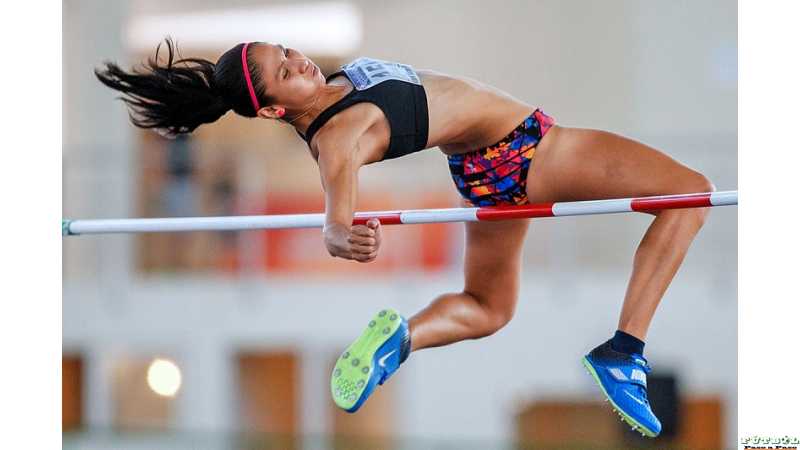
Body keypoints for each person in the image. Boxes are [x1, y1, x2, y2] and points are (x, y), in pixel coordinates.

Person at [96, 38, 716, 438]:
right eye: (285, 72)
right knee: (690, 193)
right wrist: (340, 232)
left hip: (484, 172)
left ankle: (403, 336)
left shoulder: (333, 86)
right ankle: (624, 350)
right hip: (533, 151)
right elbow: (337, 204)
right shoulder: (336, 139)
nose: (299, 61)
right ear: (272, 111)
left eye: (287, 51)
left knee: (489, 309)